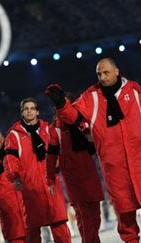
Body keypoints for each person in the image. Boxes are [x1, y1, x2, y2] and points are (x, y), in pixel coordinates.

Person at [46, 58, 141, 243]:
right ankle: (130, 239)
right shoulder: (91, 96)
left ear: (116, 71)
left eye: (106, 72)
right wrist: (61, 104)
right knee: (123, 205)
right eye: (99, 74)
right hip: (114, 163)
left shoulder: (134, 90)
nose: (102, 77)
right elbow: (73, 116)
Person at [4, 97, 71, 243]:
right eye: (26, 109)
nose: (29, 111)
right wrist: (16, 177)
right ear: (22, 112)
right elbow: (10, 161)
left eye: (32, 108)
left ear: (37, 111)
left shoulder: (48, 128)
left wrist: (57, 167)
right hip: (30, 188)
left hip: (51, 184)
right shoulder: (13, 135)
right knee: (33, 229)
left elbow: (60, 150)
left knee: (59, 223)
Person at [47, 93, 105, 243]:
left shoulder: (82, 123)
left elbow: (96, 141)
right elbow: (51, 155)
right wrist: (50, 177)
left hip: (90, 172)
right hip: (72, 177)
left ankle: (93, 239)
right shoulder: (54, 129)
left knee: (95, 213)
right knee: (83, 215)